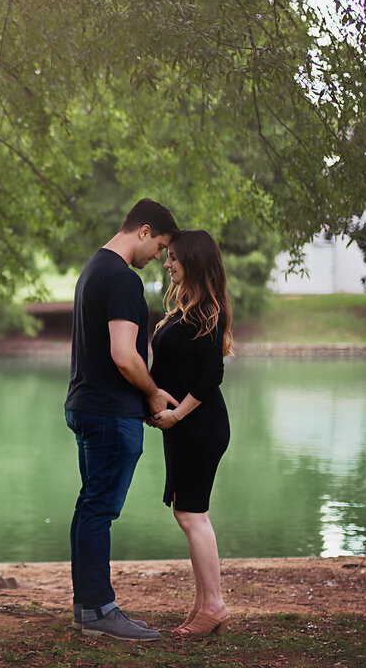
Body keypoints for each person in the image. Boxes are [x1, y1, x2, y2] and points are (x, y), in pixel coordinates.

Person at [65, 198, 179, 642]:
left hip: (87, 405)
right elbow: (123, 354)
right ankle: (98, 610)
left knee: (89, 507)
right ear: (144, 230)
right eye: (161, 247)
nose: (159, 259)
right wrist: (151, 395)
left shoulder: (93, 268)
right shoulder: (121, 279)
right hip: (109, 413)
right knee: (99, 509)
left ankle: (87, 607)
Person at [148, 229, 234, 636]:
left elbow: (210, 376)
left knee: (192, 514)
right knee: (188, 513)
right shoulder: (188, 309)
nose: (166, 263)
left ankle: (214, 606)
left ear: (193, 262)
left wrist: (177, 415)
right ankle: (203, 606)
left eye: (174, 258)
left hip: (199, 426)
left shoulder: (205, 312)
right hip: (185, 427)